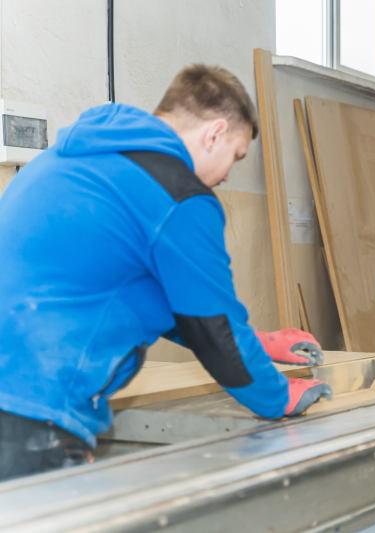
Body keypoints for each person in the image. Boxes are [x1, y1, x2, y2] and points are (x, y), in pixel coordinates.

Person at [0, 64, 332, 482]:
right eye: (236, 155)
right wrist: (278, 396)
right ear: (213, 133)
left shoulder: (70, 159)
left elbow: (155, 297)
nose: (229, 174)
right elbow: (212, 330)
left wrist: (259, 343)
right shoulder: (177, 194)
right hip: (33, 413)